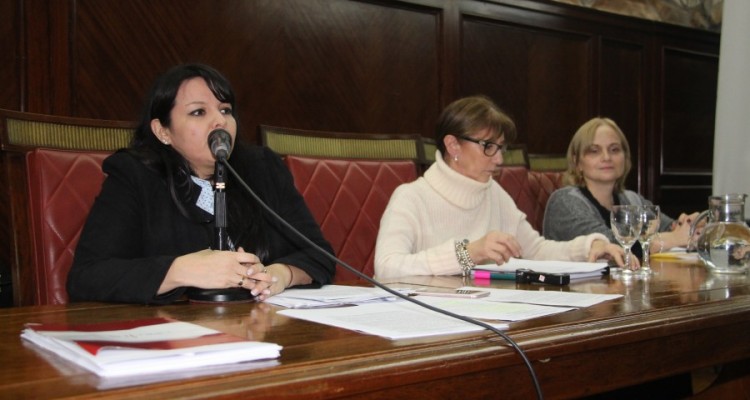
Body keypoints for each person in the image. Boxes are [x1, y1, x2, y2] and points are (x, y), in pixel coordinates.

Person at [67, 63, 335, 304]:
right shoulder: (135, 175)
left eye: (225, 110)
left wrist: (280, 275)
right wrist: (180, 271)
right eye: (198, 112)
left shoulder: (262, 167)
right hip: (175, 342)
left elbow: (319, 254)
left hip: (261, 332)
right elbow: (87, 276)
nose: (220, 121)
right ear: (163, 131)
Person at [374, 96, 627, 279]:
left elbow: (535, 250)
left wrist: (589, 247)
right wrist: (467, 253)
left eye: (500, 147)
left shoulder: (493, 192)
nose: (499, 159)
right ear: (452, 146)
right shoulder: (411, 197)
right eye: (488, 147)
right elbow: (386, 267)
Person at [543, 117, 696, 255]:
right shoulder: (564, 202)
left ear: (625, 157)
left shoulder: (631, 199)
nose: (607, 157)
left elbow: (669, 227)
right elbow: (611, 244)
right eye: (594, 151)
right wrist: (674, 238)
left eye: (614, 149)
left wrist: (690, 225)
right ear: (577, 163)